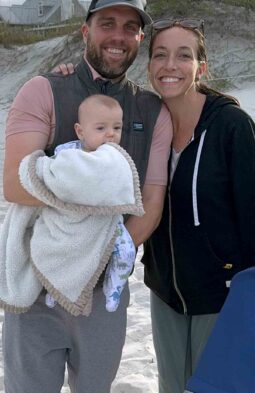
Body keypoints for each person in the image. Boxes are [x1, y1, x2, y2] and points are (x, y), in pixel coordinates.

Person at [2, 1, 172, 392]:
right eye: (107, 23)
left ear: (140, 38)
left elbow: (151, 201)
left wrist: (107, 257)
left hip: (103, 295)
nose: (118, 36)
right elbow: (14, 185)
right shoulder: (44, 89)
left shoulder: (152, 110)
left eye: (130, 28)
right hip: (36, 287)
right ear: (85, 31)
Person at [141, 18, 255, 393]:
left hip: (222, 293)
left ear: (200, 67)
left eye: (183, 55)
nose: (170, 65)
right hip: (165, 292)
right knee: (171, 387)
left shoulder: (231, 126)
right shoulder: (146, 123)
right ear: (149, 66)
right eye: (160, 55)